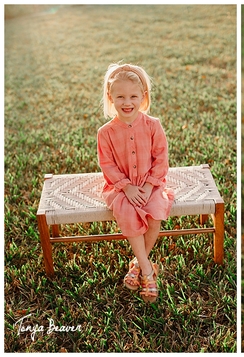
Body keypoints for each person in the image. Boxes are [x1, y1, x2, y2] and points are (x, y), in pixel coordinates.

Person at [97, 63, 173, 303]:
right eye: (120, 96)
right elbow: (107, 165)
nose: (126, 102)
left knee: (156, 213)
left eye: (133, 96)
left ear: (143, 97)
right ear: (110, 98)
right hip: (121, 187)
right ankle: (148, 271)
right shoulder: (105, 132)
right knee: (128, 212)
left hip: (152, 183)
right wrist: (127, 187)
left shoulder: (153, 125)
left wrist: (150, 186)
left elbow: (161, 159)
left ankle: (137, 264)